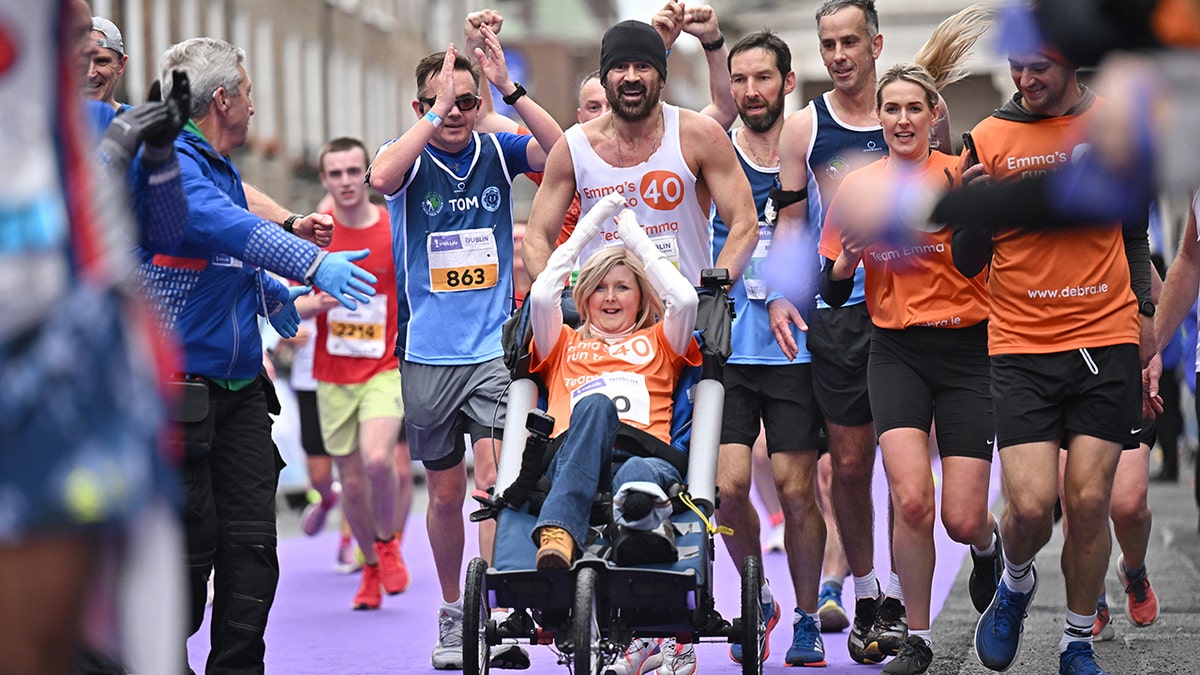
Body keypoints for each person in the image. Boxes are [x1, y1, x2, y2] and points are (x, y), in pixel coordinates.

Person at [144, 36, 378, 674]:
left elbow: (230, 264)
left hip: (241, 390)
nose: (253, 104)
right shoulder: (166, 163)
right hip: (174, 392)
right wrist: (311, 261)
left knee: (251, 549)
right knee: (189, 552)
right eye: (247, 92)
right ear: (222, 98)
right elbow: (222, 230)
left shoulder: (219, 166)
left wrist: (287, 297)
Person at [0, 2, 189, 674]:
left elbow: (168, 231)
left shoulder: (106, 123)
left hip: (48, 333)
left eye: (93, 41)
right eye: (79, 38)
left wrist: (160, 154)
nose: (87, 54)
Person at [950, 44, 1151, 675]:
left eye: (1039, 66)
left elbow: (1134, 232)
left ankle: (1076, 640)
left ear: (1072, 61)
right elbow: (965, 260)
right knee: (1032, 506)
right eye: (1017, 65)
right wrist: (976, 215)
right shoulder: (986, 137)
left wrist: (1144, 321)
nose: (1025, 78)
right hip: (1022, 345)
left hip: (1103, 336)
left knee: (1090, 501)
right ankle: (1014, 583)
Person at [367, 27, 561, 668]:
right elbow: (380, 178)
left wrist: (506, 87)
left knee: (494, 479)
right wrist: (435, 111)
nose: (455, 114)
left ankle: (498, 613)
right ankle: (455, 610)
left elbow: (563, 152)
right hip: (427, 353)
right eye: (440, 103)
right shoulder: (411, 154)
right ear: (419, 106)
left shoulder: (498, 149)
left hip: (491, 351)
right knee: (446, 494)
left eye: (465, 103)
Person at [818, 51, 997, 675]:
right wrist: (845, 263)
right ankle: (916, 637)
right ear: (880, 116)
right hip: (895, 352)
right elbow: (833, 287)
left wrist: (970, 214)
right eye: (890, 109)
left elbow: (980, 265)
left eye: (912, 108)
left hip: (969, 352)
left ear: (932, 114)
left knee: (962, 515)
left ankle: (987, 545)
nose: (900, 119)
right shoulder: (859, 188)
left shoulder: (961, 175)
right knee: (913, 500)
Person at [772, 0, 910, 662]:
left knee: (912, 470)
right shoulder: (804, 129)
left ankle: (935, 577)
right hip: (839, 312)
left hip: (912, 312)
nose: (838, 54)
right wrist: (783, 296)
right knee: (850, 466)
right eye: (828, 44)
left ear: (875, 43)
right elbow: (793, 227)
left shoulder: (907, 114)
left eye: (850, 41)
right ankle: (866, 595)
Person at [528, 197, 702, 672]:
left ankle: (641, 523)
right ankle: (560, 533)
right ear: (582, 297)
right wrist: (591, 226)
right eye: (599, 287)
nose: (609, 297)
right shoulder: (563, 342)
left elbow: (686, 299)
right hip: (572, 459)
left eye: (622, 287)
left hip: (644, 462)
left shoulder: (662, 340)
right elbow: (543, 297)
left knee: (643, 472)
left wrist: (632, 234)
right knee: (597, 406)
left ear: (641, 296)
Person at [712, 29, 827, 668]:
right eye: (740, 79)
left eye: (763, 78)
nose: (751, 91)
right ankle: (758, 597)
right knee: (729, 491)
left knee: (795, 487)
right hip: (728, 351)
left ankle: (807, 617)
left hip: (793, 352)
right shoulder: (714, 153)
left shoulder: (806, 159)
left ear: (787, 83)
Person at [522, 18, 759, 288]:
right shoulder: (573, 146)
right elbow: (536, 238)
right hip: (603, 318)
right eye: (620, 67)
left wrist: (714, 292)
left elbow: (745, 222)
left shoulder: (700, 135)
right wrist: (553, 297)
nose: (631, 77)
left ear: (661, 76)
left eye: (643, 66)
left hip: (683, 316)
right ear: (605, 78)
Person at [298, 136, 411, 611]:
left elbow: (414, 294)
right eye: (335, 173)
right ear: (323, 179)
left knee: (379, 461)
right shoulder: (311, 240)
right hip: (332, 374)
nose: (345, 181)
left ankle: (386, 542)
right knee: (354, 484)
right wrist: (318, 301)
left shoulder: (392, 230)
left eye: (353, 172)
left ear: (366, 174)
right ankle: (369, 564)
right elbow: (289, 307)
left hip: (384, 368)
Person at [85, 16, 128, 112]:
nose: (90, 73)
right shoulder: (50, 123)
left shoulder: (137, 123)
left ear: (121, 66)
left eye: (101, 61)